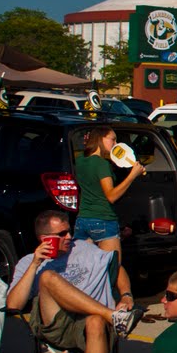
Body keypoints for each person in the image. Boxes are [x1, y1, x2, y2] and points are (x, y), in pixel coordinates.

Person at [6, 210, 132, 353]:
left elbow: (116, 267)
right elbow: (13, 305)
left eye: (69, 231)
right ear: (45, 239)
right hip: (58, 325)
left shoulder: (84, 248)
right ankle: (111, 315)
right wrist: (36, 264)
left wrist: (126, 295)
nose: (69, 236)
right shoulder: (28, 262)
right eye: (62, 234)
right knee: (47, 277)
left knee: (95, 321)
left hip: (92, 323)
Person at [75, 126, 147, 301]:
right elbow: (111, 196)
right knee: (114, 266)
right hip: (103, 221)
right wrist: (132, 176)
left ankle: (86, 300)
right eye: (112, 139)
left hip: (82, 220)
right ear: (100, 139)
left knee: (85, 266)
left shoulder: (80, 161)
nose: (116, 144)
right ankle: (124, 299)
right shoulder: (101, 164)